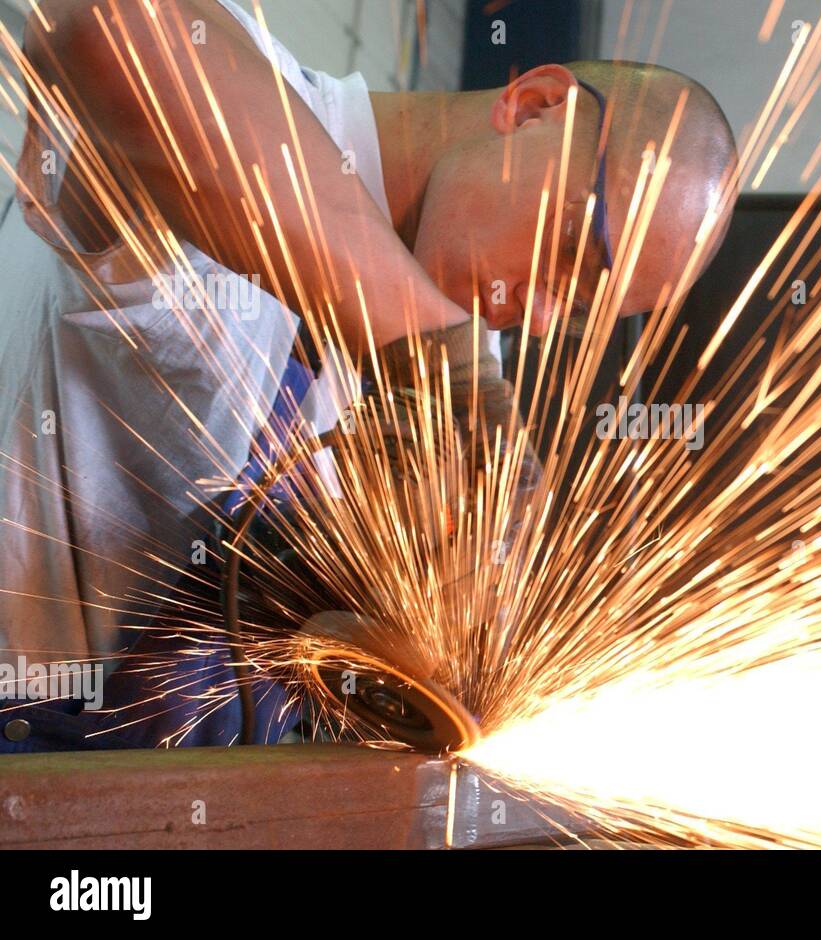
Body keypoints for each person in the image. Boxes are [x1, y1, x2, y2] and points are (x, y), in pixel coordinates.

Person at [0, 0, 736, 751]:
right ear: (535, 107)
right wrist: (426, 349)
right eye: (575, 250)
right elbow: (101, 25)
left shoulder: (459, 368)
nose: (543, 318)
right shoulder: (256, 93)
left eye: (579, 311)